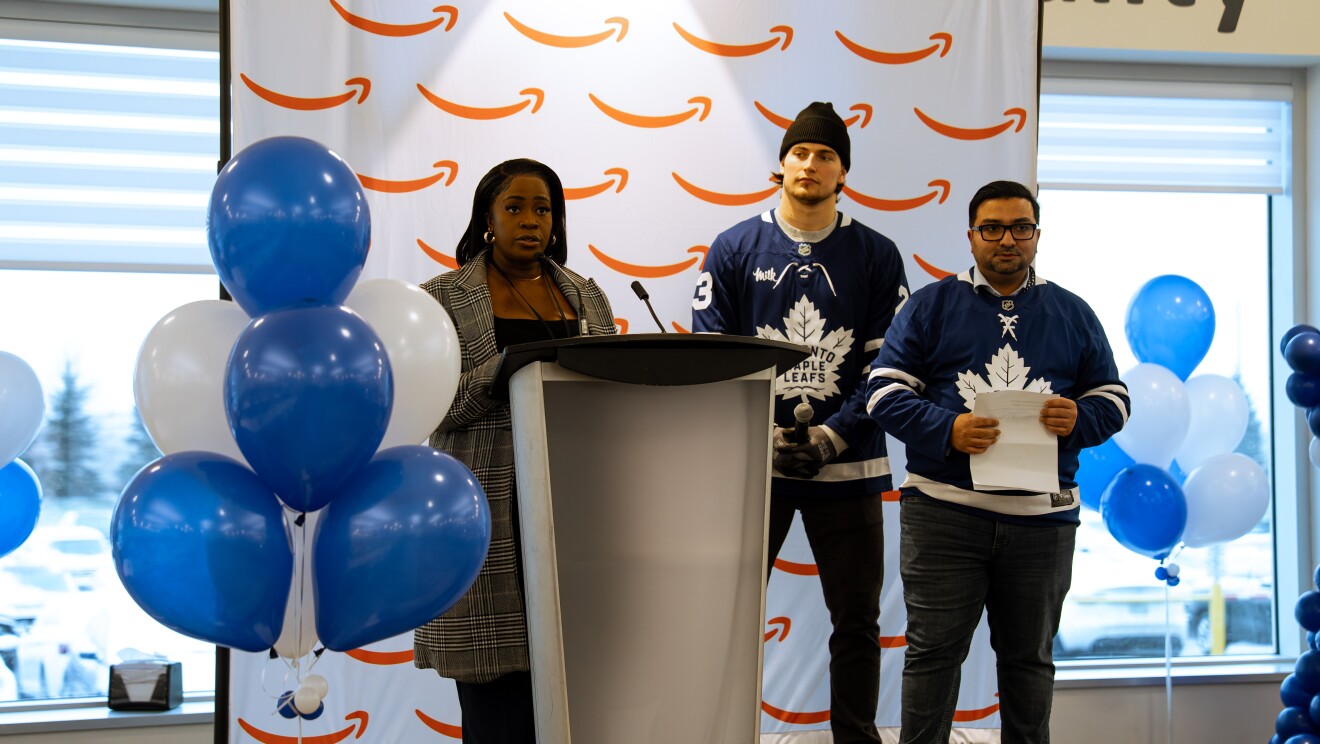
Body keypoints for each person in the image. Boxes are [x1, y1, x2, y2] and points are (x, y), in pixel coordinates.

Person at [865, 180, 1130, 744]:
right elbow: (882, 394)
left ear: (1037, 236)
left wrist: (1079, 420)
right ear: (970, 237)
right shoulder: (930, 305)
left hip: (1043, 521)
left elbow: (1115, 399)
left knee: (1029, 663)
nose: (1007, 239)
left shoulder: (1072, 311)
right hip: (944, 516)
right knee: (933, 658)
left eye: (1021, 228)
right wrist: (948, 429)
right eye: (992, 228)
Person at [691, 101, 909, 743]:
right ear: (780, 164)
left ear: (844, 174)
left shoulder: (876, 253)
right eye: (801, 153)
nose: (811, 164)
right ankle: (720, 733)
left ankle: (856, 738)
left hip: (850, 464)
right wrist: (767, 441)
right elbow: (716, 363)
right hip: (755, 468)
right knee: (729, 617)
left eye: (826, 156)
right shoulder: (733, 249)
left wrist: (831, 435)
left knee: (857, 620)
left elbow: (888, 370)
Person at [414, 158, 616, 743]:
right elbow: (434, 408)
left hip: (572, 502)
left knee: (573, 685)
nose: (530, 221)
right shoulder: (443, 299)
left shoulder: (585, 295)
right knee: (495, 704)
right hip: (483, 503)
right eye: (515, 207)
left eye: (543, 210)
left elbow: (609, 395)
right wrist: (499, 371)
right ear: (486, 219)